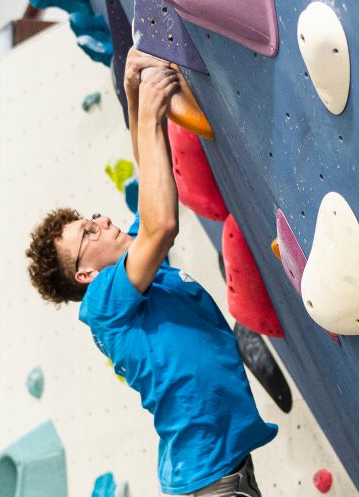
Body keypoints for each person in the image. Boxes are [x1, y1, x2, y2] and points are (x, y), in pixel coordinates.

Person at [25, 48, 277, 496]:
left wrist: (134, 94)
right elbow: (162, 224)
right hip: (211, 484)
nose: (102, 221)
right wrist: (147, 113)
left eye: (93, 217)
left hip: (221, 471)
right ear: (85, 274)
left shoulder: (138, 276)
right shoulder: (105, 304)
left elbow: (151, 195)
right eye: (89, 231)